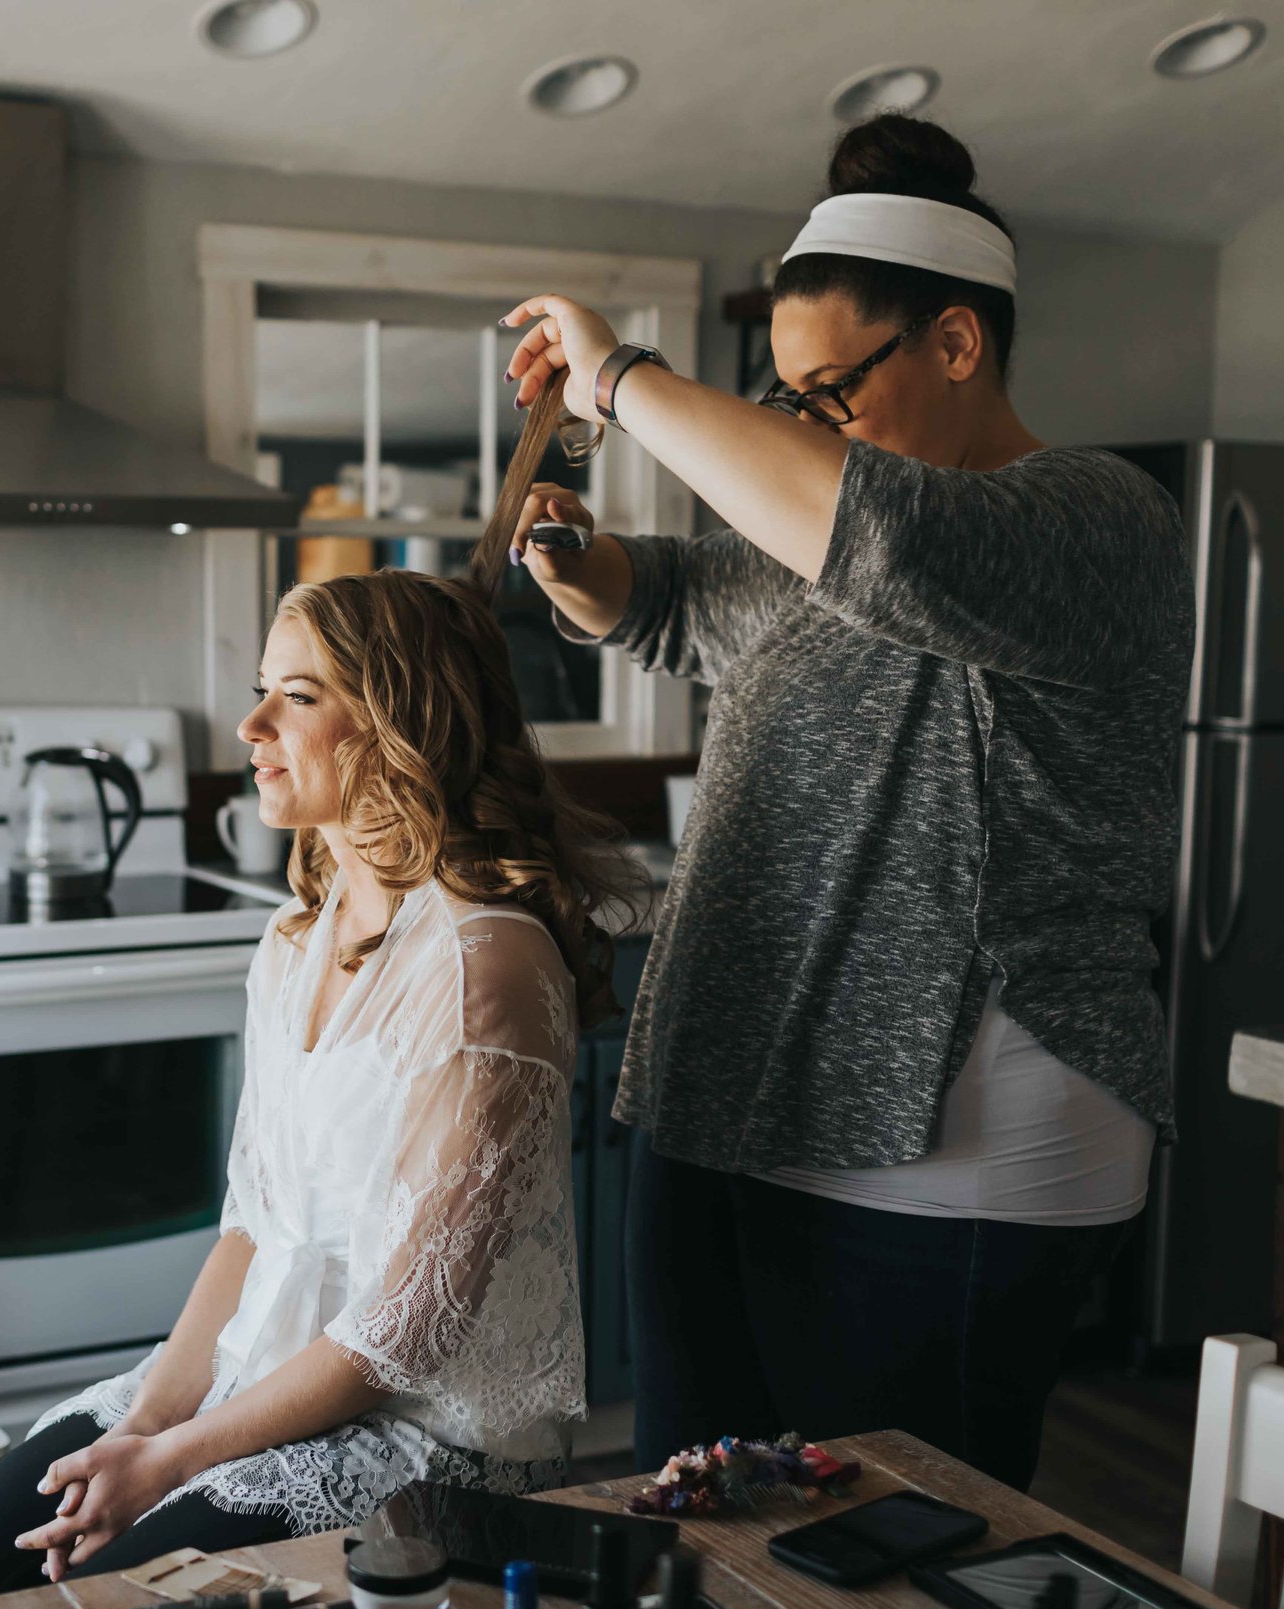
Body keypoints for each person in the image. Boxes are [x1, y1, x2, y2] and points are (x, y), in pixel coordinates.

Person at [497, 113, 1193, 1489]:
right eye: (792, 400)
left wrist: (623, 378)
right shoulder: (819, 527)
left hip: (949, 1144)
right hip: (729, 1096)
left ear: (956, 342)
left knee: (884, 1555)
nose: (810, 424)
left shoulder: (1097, 516)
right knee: (700, 1523)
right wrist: (583, 569)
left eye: (831, 391)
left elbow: (886, 541)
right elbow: (685, 598)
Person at [0, 569, 637, 1603]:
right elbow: (251, 1229)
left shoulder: (482, 965)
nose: (250, 726)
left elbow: (404, 1336)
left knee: (117, 1597)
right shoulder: (293, 941)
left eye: (297, 695)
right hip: (262, 1367)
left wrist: (169, 1461)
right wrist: (146, 1424)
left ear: (401, 723)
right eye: (262, 690)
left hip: (424, 1433)